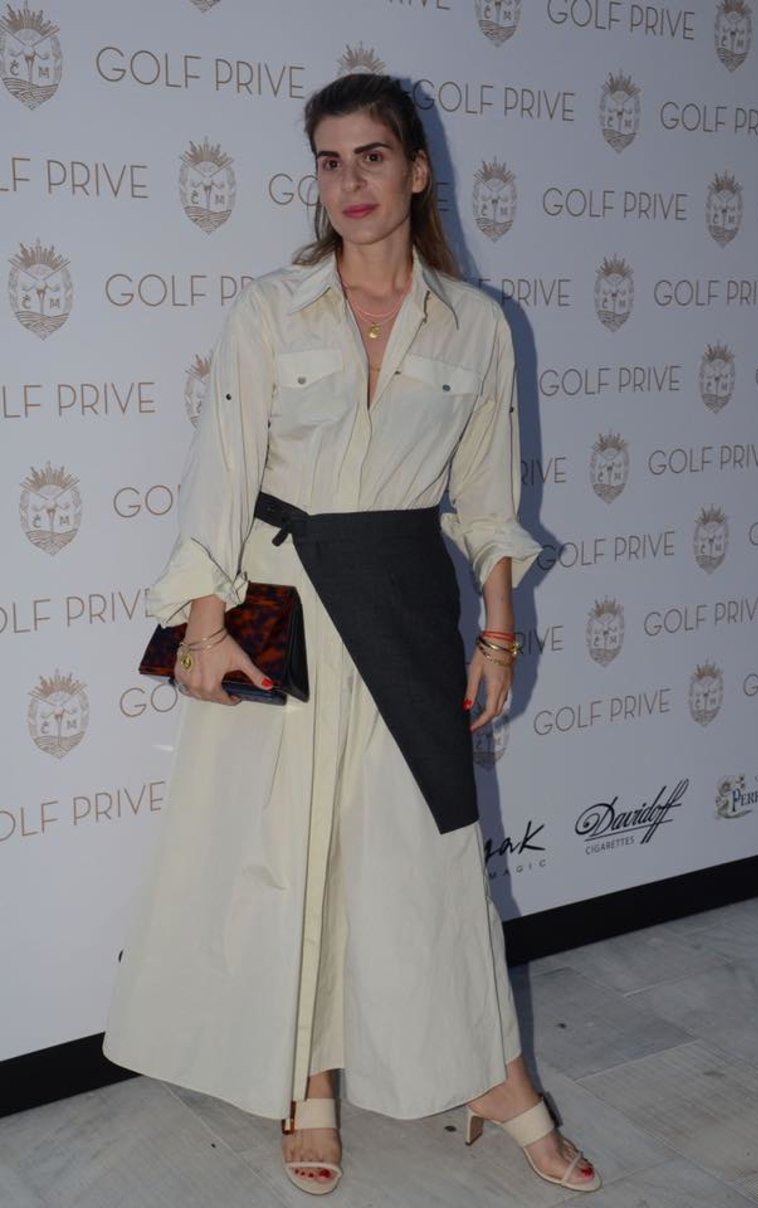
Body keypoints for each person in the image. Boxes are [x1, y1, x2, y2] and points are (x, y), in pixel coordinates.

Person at [102, 73, 600, 1197]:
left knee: (426, 857)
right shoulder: (269, 310)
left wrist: (500, 635)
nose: (349, 182)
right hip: (281, 600)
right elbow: (220, 473)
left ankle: (495, 1077)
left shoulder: (477, 325)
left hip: (404, 606)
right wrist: (205, 627)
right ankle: (308, 1078)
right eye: (329, 161)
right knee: (292, 850)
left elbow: (488, 501)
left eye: (372, 156)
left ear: (416, 170)